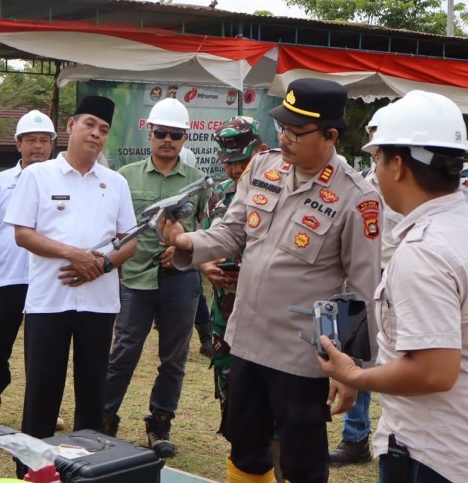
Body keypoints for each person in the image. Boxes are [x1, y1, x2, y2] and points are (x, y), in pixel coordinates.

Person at [161, 78, 381, 483]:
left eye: (296, 132)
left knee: (301, 461)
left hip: (299, 357)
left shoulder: (357, 197)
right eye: (282, 128)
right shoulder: (263, 167)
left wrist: (352, 369)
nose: (285, 138)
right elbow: (231, 233)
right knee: (245, 447)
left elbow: (362, 288)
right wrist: (186, 240)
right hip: (245, 341)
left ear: (330, 135)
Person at [319, 90, 468, 483]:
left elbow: (433, 372)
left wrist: (355, 375)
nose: (375, 172)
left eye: (377, 159)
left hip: (434, 456)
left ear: (397, 165)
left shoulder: (425, 250)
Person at [5, 96, 137, 448]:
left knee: (93, 393)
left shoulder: (116, 183)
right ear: (70, 126)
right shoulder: (37, 175)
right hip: (49, 300)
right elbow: (23, 234)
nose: (96, 134)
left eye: (104, 129)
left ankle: (88, 464)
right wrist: (73, 254)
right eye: (90, 124)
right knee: (42, 391)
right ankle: (32, 467)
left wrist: (102, 265)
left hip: (99, 302)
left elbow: (130, 241)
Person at [102, 98, 209, 458]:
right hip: (135, 278)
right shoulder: (126, 176)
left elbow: (207, 230)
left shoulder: (199, 182)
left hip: (181, 279)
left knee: (174, 358)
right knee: (122, 353)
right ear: (150, 133)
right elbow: (116, 228)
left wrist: (183, 249)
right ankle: (104, 420)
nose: (167, 140)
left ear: (185, 138)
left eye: (175, 135)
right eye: (161, 133)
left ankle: (160, 424)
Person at [329, 105, 404, 467]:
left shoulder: (404, 183)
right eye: (373, 134)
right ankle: (355, 436)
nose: (374, 142)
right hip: (364, 281)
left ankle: (394, 438)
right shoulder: (363, 183)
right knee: (357, 354)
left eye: (379, 135)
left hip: (400, 279)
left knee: (396, 359)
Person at [0, 110, 56, 423]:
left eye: (43, 140)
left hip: (49, 279)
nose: (37, 146)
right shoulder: (1, 182)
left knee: (47, 349)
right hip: (8, 279)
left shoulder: (63, 181)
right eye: (30, 140)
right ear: (18, 144)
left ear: (52, 146)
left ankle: (45, 407)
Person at [198, 116, 267, 435]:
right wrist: (206, 266)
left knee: (268, 399)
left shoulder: (282, 194)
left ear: (262, 151)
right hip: (226, 312)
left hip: (268, 313)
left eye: (243, 161)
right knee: (231, 390)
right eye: (229, 163)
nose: (237, 170)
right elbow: (207, 241)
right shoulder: (220, 195)